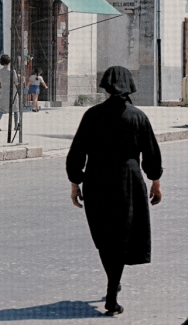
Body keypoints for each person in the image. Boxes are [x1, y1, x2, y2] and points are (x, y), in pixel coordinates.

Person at [66, 66, 163, 316]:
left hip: (97, 180)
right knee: (122, 234)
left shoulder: (92, 115)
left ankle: (112, 285)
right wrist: (155, 181)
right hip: (128, 182)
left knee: (105, 236)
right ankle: (112, 291)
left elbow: (77, 152)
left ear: (106, 87)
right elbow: (151, 154)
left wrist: (75, 183)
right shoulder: (138, 116)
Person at [0, 54, 18, 131]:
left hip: (3, 91)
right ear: (9, 62)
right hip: (12, 91)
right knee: (15, 108)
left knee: (1, 108)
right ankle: (16, 125)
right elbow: (16, 82)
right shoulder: (12, 71)